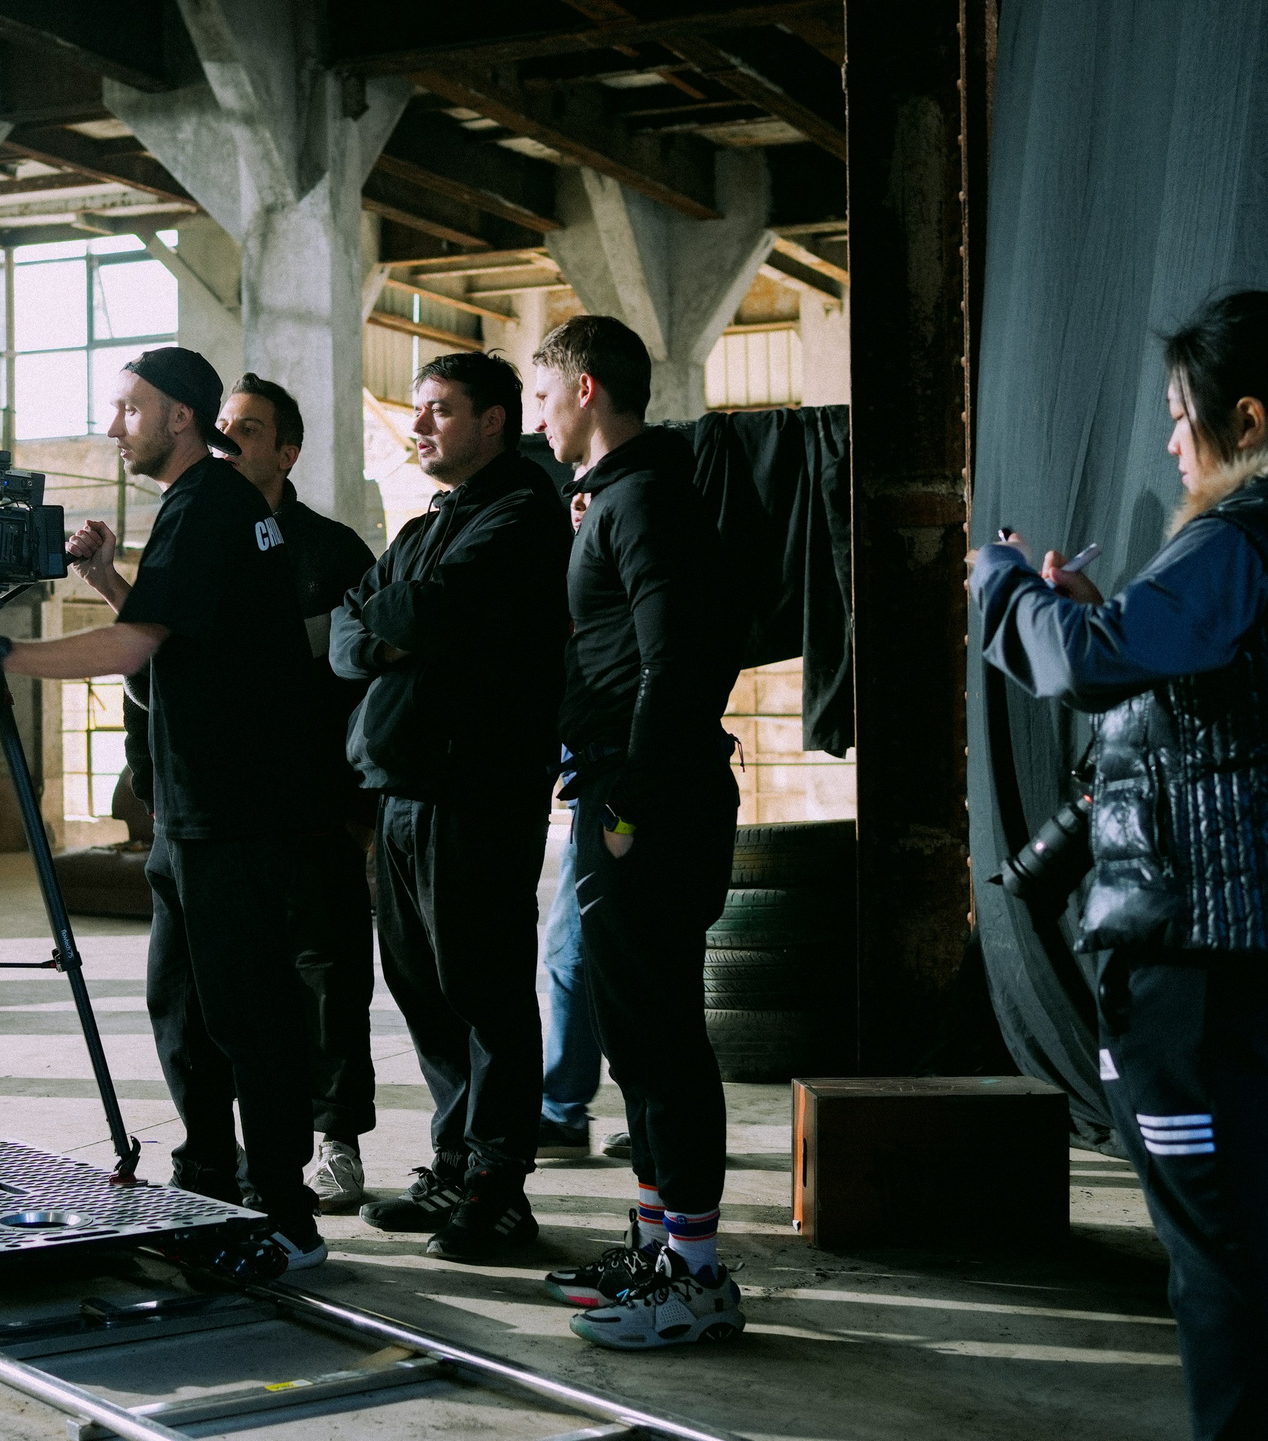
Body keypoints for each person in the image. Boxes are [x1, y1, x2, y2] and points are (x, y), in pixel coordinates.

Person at [973, 291, 1268, 1439]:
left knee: (1217, 1258)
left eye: (1180, 417)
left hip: (1195, 965)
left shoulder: (1238, 537)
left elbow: (1082, 667)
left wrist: (1003, 588)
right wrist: (1099, 613)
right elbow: (1219, 692)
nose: (1168, 441)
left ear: (1245, 415)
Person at [0, 346, 329, 1270]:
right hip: (195, 806)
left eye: (129, 408)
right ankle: (210, 1182)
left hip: (231, 806)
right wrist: (105, 579)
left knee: (246, 1010)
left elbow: (137, 650)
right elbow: (182, 635)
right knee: (182, 1005)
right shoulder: (211, 505)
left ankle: (286, 1211)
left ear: (181, 416)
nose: (113, 425)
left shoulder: (207, 503)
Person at [530, 316, 745, 1349]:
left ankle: (697, 1279)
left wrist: (627, 806)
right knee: (633, 1039)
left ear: (582, 388)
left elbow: (680, 664)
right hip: (618, 792)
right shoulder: (615, 498)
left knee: (661, 1041)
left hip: (646, 803)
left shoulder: (646, 497)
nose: (537, 417)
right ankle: (665, 1249)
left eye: (540, 395)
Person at [332, 352, 571, 1263]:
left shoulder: (520, 516)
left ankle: (500, 1187)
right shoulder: (433, 521)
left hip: (476, 791)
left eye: (439, 410)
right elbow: (354, 633)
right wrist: (392, 632)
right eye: (418, 409)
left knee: (485, 989)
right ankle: (453, 1160)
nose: (421, 425)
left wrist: (401, 628)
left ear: (496, 421)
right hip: (402, 792)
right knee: (423, 988)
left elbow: (426, 616)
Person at [215, 373, 382, 1214]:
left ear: (286, 451)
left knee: (329, 977)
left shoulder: (335, 553)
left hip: (316, 808)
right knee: (242, 985)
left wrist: (362, 810)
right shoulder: (197, 541)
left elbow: (368, 690)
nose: (227, 439)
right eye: (221, 426)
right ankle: (249, 1148)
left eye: (246, 429)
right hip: (225, 814)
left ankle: (337, 1141)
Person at [537, 487, 599, 1161]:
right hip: (597, 792)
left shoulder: (613, 573)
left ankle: (562, 1109)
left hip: (616, 795)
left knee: (571, 954)